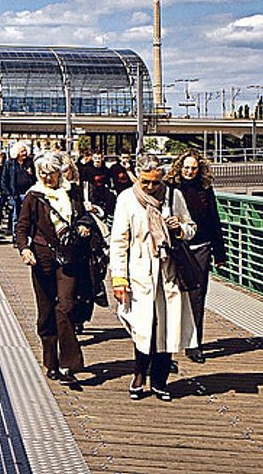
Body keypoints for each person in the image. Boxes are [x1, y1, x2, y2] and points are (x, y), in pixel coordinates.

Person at [110, 154, 197, 401]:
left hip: (169, 273)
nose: (150, 187)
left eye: (155, 182)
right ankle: (139, 374)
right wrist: (119, 279)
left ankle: (160, 381)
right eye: (146, 181)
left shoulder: (173, 196)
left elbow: (191, 229)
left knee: (169, 328)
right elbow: (118, 241)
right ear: (138, 176)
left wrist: (178, 228)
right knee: (142, 327)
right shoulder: (127, 199)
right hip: (139, 274)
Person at [15, 151, 91, 385]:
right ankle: (51, 362)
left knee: (66, 306)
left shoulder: (73, 192)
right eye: (43, 173)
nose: (47, 177)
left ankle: (69, 363)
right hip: (43, 258)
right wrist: (24, 249)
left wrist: (84, 226)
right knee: (46, 312)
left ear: (60, 173)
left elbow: (83, 216)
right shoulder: (34, 197)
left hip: (69, 257)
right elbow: (22, 227)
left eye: (51, 173)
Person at [165, 149, 226, 364]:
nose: (189, 171)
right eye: (186, 167)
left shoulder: (205, 189)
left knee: (197, 296)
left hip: (202, 246)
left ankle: (194, 344)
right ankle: (169, 344)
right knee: (172, 295)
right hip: (177, 248)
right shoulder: (169, 188)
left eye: (193, 168)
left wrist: (220, 252)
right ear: (179, 167)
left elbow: (214, 219)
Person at [1, 141, 36, 230]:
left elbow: (35, 178)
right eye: (22, 151)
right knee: (16, 216)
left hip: (27, 193)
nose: (24, 153)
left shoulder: (29, 163)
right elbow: (4, 180)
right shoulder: (10, 164)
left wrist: (30, 174)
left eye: (25, 151)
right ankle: (16, 235)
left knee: (29, 216)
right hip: (15, 193)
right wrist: (8, 194)